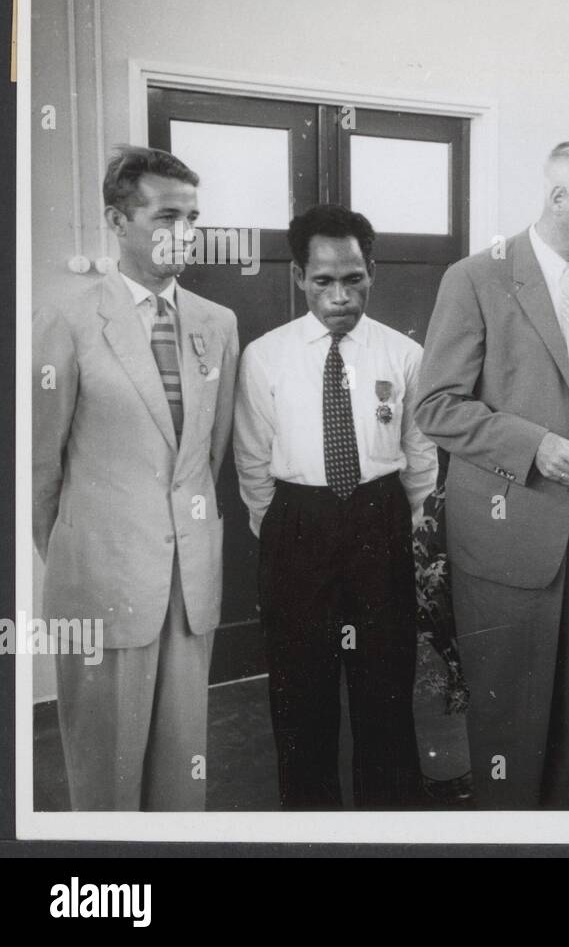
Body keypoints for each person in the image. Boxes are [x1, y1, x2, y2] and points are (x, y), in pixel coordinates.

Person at [415, 140, 569, 810]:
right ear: (558, 198)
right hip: (504, 533)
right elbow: (436, 406)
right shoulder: (475, 278)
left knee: (566, 711)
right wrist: (533, 445)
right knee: (507, 715)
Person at [32, 146, 239, 810]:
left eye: (193, 218)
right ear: (118, 222)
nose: (186, 232)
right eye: (166, 217)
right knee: (107, 778)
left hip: (189, 582)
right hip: (103, 580)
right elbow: (40, 467)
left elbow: (208, 459)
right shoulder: (66, 321)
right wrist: (84, 553)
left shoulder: (218, 324)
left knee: (183, 775)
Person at [233, 204, 437, 808]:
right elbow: (252, 455)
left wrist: (408, 522)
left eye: (353, 279)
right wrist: (281, 527)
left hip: (380, 518)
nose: (340, 296)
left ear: (372, 272)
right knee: (300, 687)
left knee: (386, 682)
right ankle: (310, 821)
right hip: (297, 523)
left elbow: (419, 450)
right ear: (299, 276)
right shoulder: (265, 355)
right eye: (323, 280)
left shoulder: (403, 354)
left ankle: (390, 819)